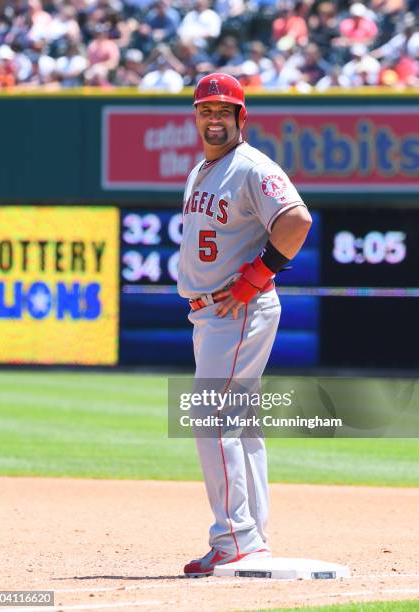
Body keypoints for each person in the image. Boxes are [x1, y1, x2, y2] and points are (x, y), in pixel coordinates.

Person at [177, 73, 312, 577]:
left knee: (211, 419)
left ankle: (236, 539)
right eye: (206, 110)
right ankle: (249, 535)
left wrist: (256, 275)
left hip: (238, 310)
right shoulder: (201, 172)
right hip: (212, 313)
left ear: (240, 118)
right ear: (197, 117)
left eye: (223, 111)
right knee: (240, 425)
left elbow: (296, 221)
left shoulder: (252, 166)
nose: (214, 119)